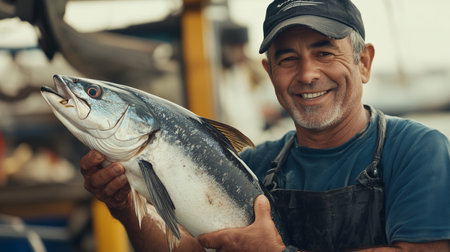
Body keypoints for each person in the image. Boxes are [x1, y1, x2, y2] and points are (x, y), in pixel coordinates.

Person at [80, 0, 450, 251]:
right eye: (288, 58)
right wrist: (126, 205)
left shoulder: (416, 150)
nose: (307, 74)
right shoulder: (253, 167)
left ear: (364, 62)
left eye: (324, 52)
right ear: (270, 73)